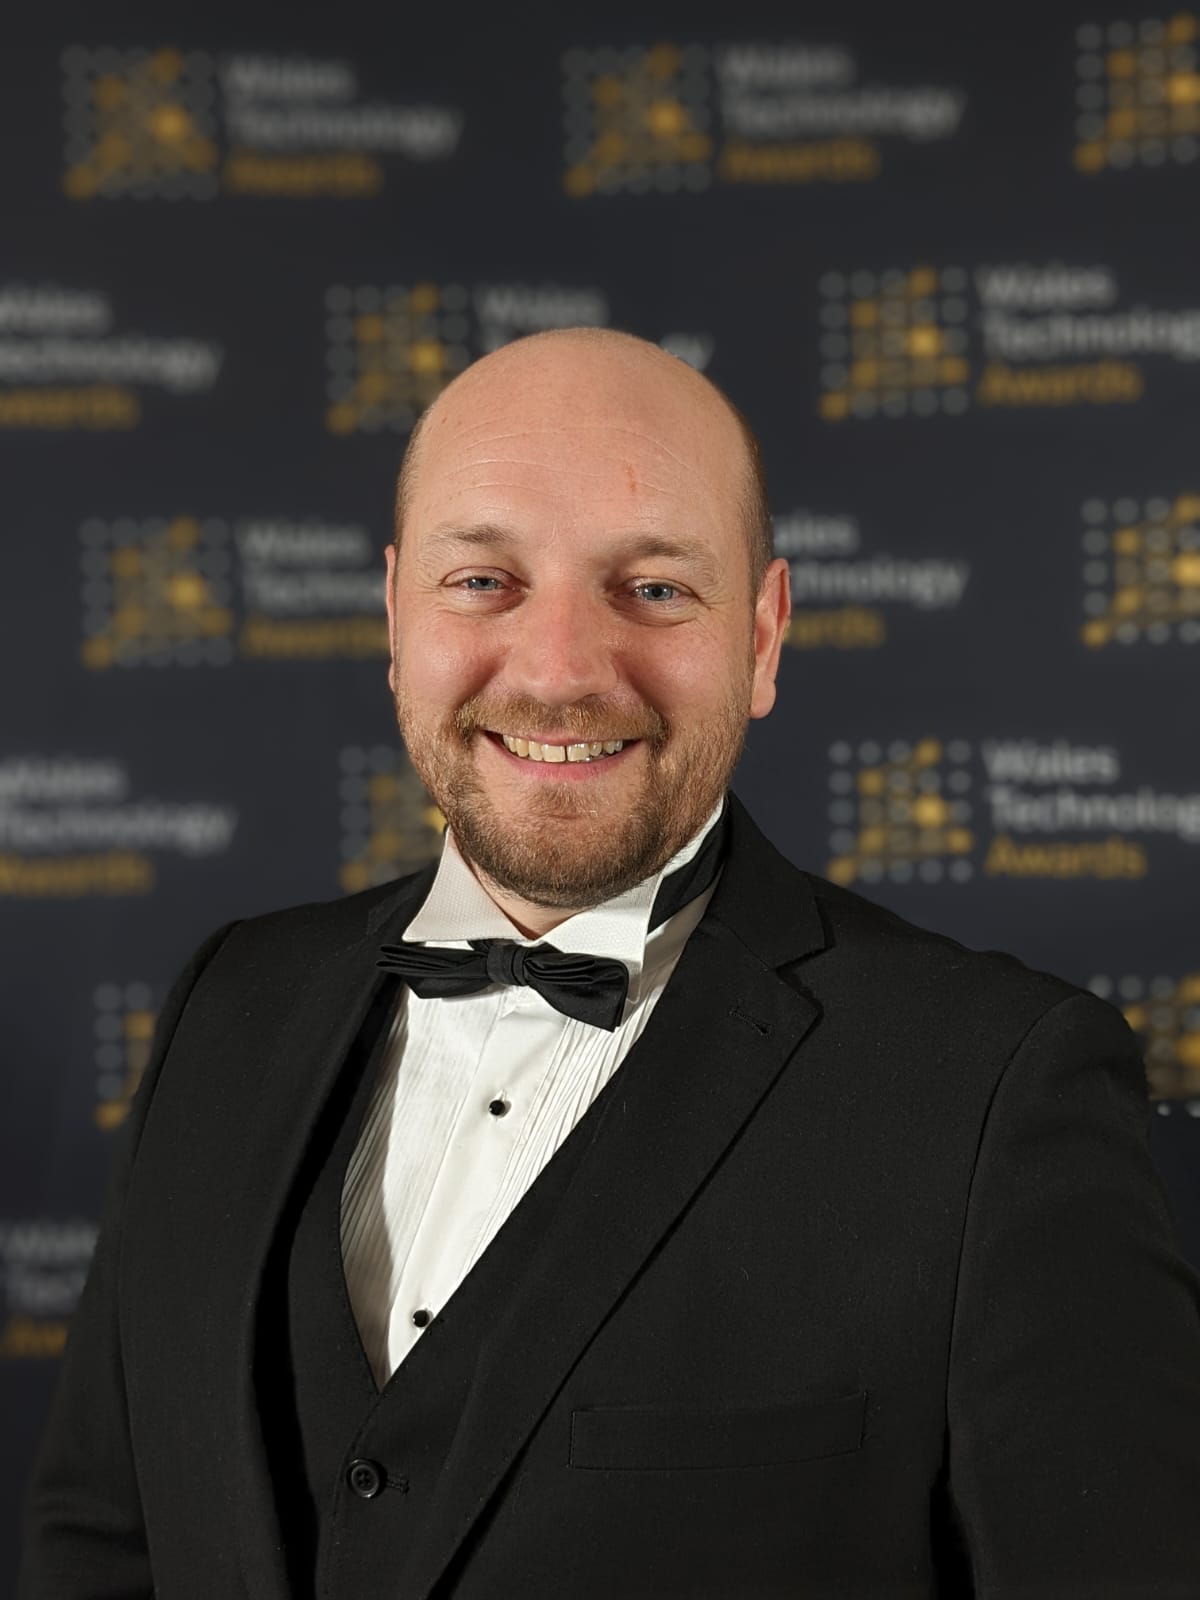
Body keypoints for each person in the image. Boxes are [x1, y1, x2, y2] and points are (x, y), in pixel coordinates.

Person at [19, 328, 1200, 1600]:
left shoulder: (997, 1092)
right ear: (394, 614)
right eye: (482, 581)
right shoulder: (228, 1003)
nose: (561, 670)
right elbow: (101, 1536)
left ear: (761, 637)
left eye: (653, 589)